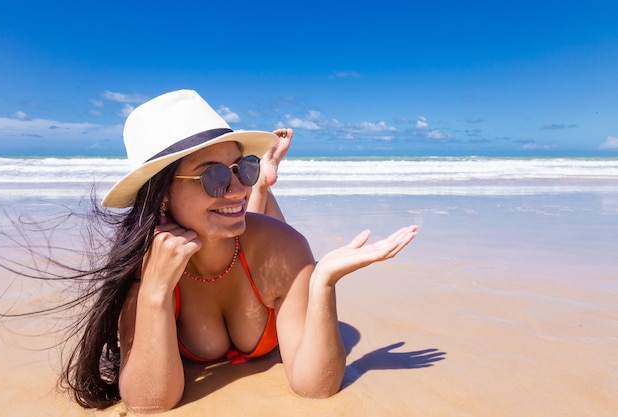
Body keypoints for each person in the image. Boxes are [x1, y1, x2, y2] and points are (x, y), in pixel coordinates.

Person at [47, 90, 418, 413]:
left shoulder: (284, 247)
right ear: (160, 194)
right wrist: (156, 292)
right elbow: (150, 403)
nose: (235, 187)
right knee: (244, 217)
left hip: (257, 247)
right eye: (214, 176)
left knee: (259, 224)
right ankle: (265, 180)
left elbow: (316, 389)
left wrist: (323, 282)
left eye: (243, 168)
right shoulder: (144, 268)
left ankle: (265, 183)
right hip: (237, 246)